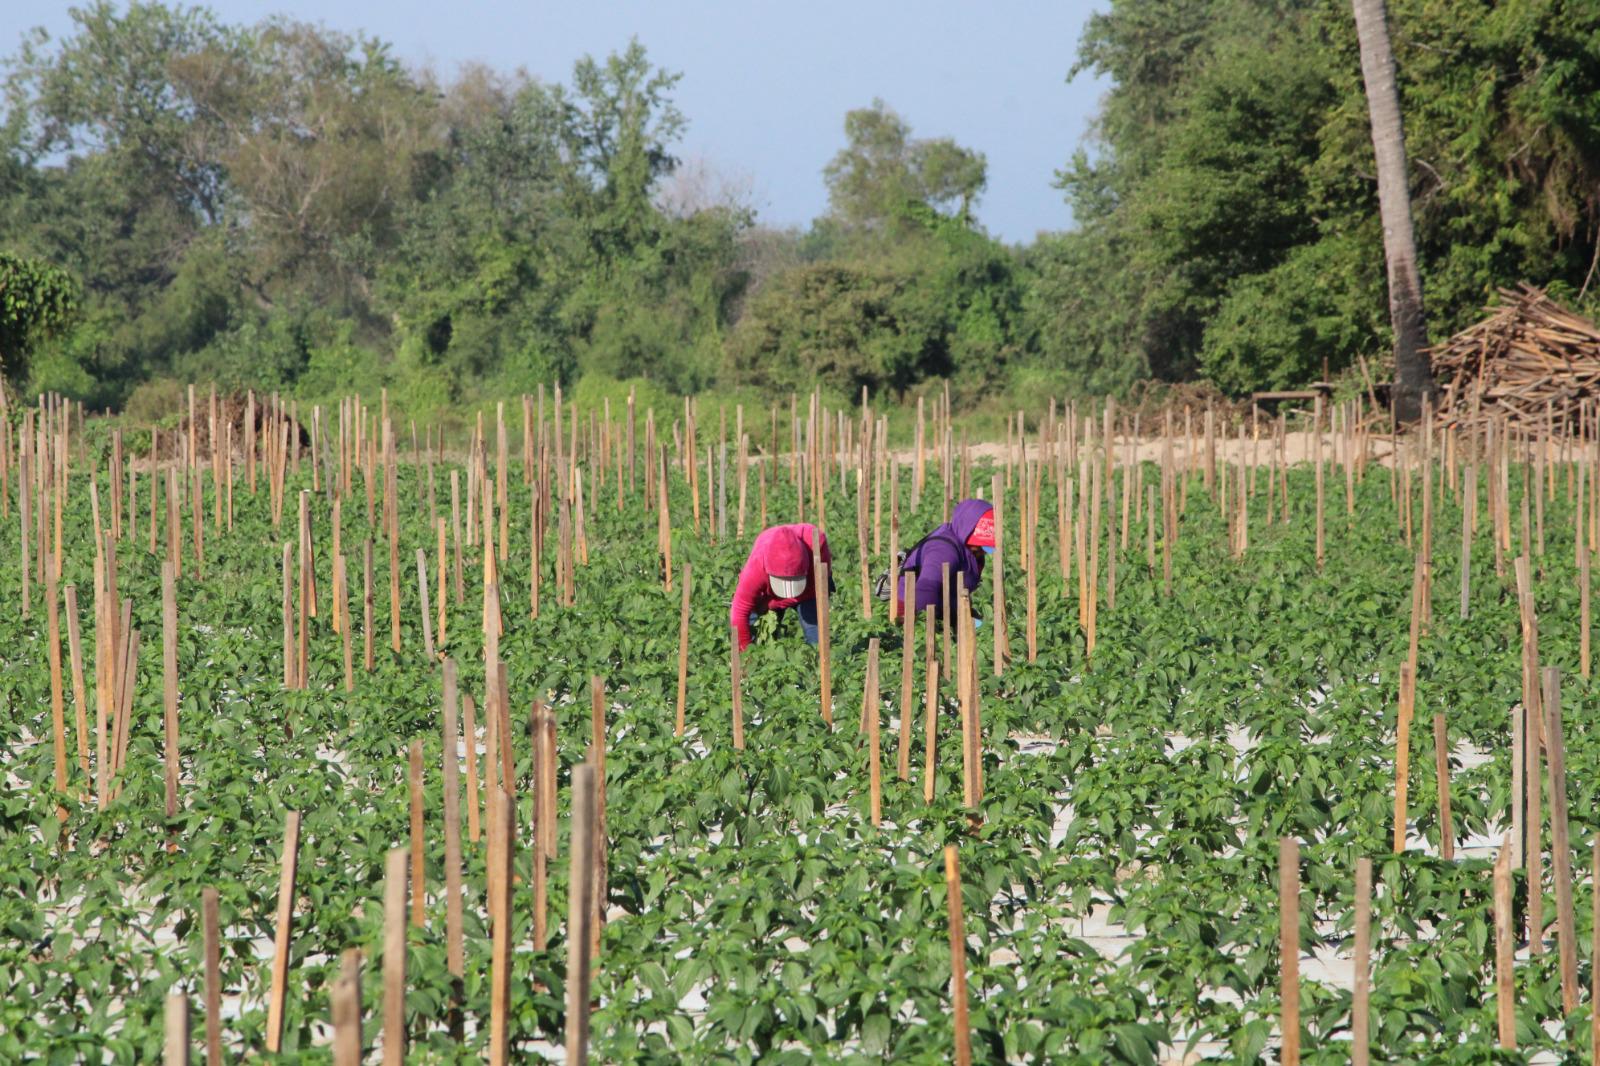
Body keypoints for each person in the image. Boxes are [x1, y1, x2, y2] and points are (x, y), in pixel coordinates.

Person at [730, 523, 832, 650]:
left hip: (808, 589)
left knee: (815, 634)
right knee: (754, 628)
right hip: (768, 591)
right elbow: (739, 612)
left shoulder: (816, 546)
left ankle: (817, 662)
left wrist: (772, 604)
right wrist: (746, 655)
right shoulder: (756, 567)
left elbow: (817, 590)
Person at [897, 498, 994, 622]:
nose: (983, 550)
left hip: (943, 608)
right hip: (912, 611)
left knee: (980, 627)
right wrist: (941, 625)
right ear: (966, 529)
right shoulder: (943, 551)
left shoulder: (972, 551)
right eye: (978, 543)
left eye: (985, 544)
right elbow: (925, 592)